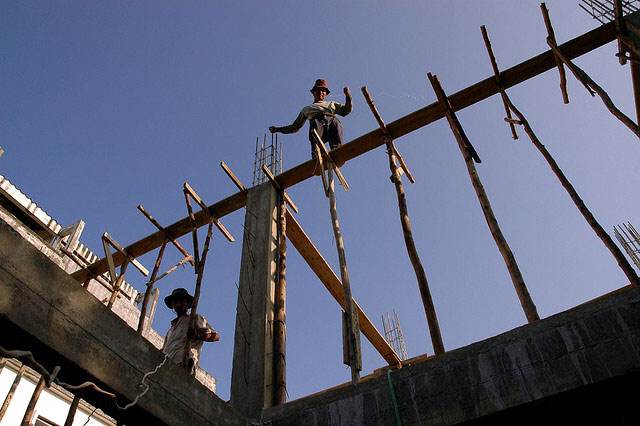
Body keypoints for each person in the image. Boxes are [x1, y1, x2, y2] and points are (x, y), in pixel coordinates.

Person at [269, 79, 352, 159]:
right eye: (318, 90)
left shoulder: (331, 104)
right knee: (315, 125)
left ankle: (337, 151)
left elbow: (345, 111)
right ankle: (317, 154)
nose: (320, 92)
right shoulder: (307, 109)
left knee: (336, 124)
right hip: (318, 124)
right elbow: (295, 126)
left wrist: (348, 96)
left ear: (326, 94)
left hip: (331, 122)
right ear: (313, 93)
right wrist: (278, 129)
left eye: (323, 91)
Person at [162, 287, 219, 374]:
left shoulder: (194, 318)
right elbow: (164, 350)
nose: (178, 305)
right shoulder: (171, 330)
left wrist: (197, 336)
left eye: (181, 301)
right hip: (167, 366)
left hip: (183, 363)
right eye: (175, 302)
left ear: (187, 303)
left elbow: (216, 336)